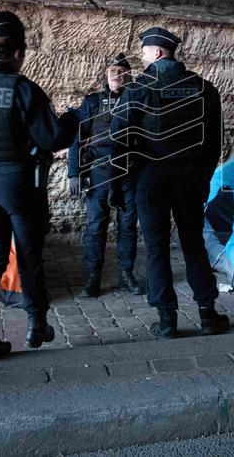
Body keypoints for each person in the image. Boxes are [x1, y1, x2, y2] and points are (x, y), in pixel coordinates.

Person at [0, 11, 78, 363]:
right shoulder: (23, 89)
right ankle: (37, 324)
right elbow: (53, 137)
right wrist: (74, 116)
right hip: (18, 185)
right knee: (29, 257)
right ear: (19, 52)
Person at [110, 26, 229, 338]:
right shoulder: (204, 88)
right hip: (189, 180)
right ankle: (207, 314)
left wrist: (125, 181)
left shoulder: (138, 89)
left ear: (158, 53)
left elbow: (117, 139)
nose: (143, 57)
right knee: (193, 244)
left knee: (156, 247)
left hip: (151, 181)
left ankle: (166, 321)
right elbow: (214, 141)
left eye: (145, 52)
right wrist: (202, 178)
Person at [68, 52, 142, 297]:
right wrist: (74, 173)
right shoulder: (93, 102)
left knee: (128, 225)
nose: (117, 77)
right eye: (113, 72)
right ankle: (93, 278)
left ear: (128, 76)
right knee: (95, 226)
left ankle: (125, 275)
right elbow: (78, 138)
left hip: (129, 172)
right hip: (100, 170)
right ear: (106, 75)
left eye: (122, 73)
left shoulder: (138, 101)